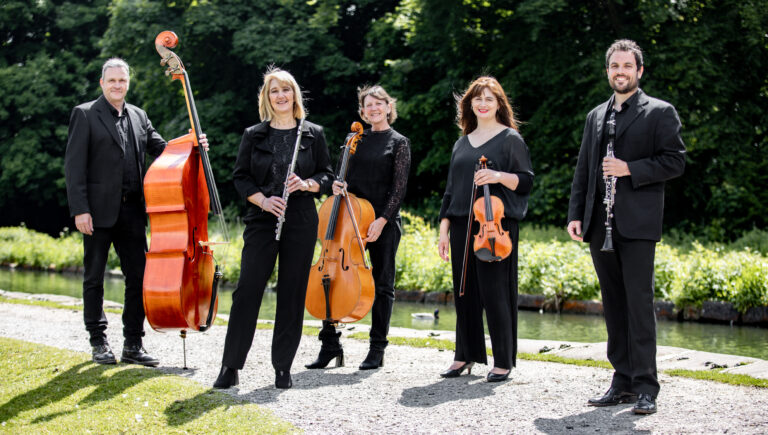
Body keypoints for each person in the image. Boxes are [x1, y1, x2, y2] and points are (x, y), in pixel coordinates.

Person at [566, 39, 686, 415]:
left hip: (637, 225)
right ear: (608, 71)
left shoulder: (660, 112)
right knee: (614, 305)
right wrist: (575, 214)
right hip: (600, 225)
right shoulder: (595, 116)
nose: (621, 72)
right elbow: (584, 169)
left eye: (627, 66)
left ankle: (646, 386)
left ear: (639, 71)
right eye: (614, 66)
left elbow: (675, 161)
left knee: (639, 305)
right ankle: (621, 381)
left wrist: (630, 168)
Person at [65, 58, 207, 366]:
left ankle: (133, 343)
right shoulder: (85, 114)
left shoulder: (139, 116)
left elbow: (165, 150)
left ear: (128, 83)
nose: (117, 85)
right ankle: (98, 340)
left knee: (139, 277)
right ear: (102, 83)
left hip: (132, 212)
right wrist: (80, 209)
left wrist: (193, 144)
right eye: (112, 80)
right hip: (97, 213)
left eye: (122, 80)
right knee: (94, 277)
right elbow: (74, 167)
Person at [213, 67, 333, 390]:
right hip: (263, 220)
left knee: (291, 294)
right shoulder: (254, 135)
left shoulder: (312, 134)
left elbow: (327, 176)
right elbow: (240, 177)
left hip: (301, 221)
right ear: (266, 97)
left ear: (294, 95)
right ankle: (230, 365)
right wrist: (264, 202)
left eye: (286, 90)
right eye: (274, 91)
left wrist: (307, 183)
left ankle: (282, 367)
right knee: (247, 290)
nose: (281, 96)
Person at [305, 85, 411, 371]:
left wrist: (382, 220)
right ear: (362, 111)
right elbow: (339, 179)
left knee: (383, 284)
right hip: (349, 221)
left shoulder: (398, 142)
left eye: (379, 104)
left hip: (381, 223)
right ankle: (330, 345)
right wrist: (337, 185)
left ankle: (377, 348)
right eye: (368, 105)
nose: (373, 109)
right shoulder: (354, 139)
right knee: (332, 274)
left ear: (389, 107)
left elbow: (398, 189)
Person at [437, 76, 534, 382]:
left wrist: (497, 176)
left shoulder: (510, 139)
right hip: (462, 226)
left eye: (489, 99)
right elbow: (451, 191)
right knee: (464, 292)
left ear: (498, 104)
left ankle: (502, 360)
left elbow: (526, 180)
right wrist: (443, 228)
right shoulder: (461, 143)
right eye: (477, 99)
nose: (482, 104)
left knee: (496, 294)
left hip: (495, 225)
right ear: (470, 104)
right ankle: (464, 355)